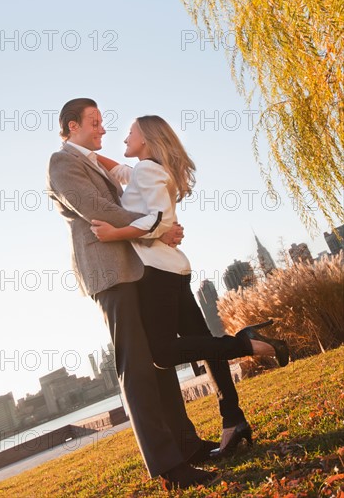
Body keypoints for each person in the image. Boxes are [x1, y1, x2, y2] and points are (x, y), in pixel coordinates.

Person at [47, 98, 223, 491]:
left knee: (158, 363)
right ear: (72, 126)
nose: (102, 129)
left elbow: (128, 186)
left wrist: (156, 223)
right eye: (94, 122)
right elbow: (97, 209)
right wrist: (159, 226)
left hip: (135, 269)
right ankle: (167, 465)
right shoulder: (62, 162)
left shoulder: (93, 161)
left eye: (102, 122)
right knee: (137, 367)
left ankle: (186, 445)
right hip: (110, 274)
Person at [90, 115, 289, 457]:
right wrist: (87, 156)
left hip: (158, 274)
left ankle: (248, 343)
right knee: (208, 348)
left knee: (162, 353)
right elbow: (123, 172)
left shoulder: (149, 172)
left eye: (131, 131)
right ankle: (233, 420)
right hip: (174, 270)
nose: (124, 135)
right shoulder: (149, 170)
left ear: (147, 140)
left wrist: (114, 233)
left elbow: (156, 220)